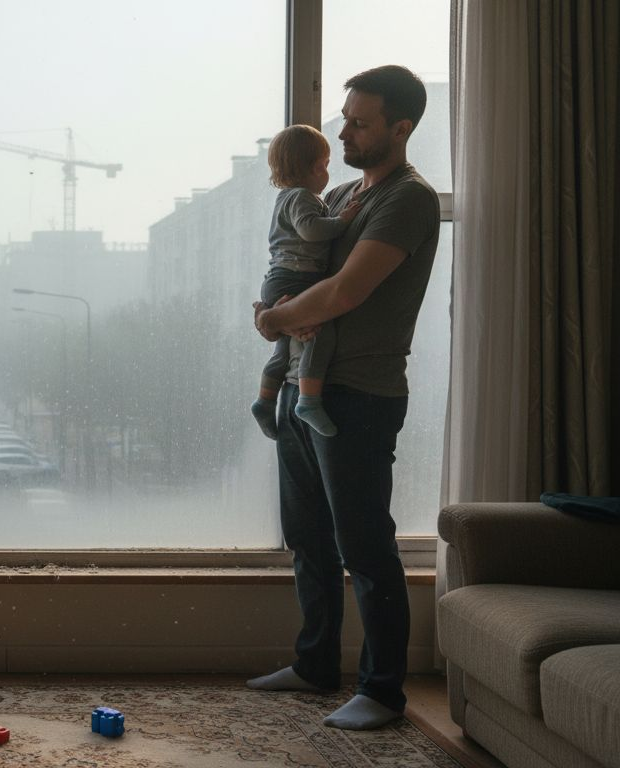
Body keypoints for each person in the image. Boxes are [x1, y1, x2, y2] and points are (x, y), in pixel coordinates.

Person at [248, 64, 441, 731]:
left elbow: (346, 291)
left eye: (359, 122)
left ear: (401, 127)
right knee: (308, 538)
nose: (345, 131)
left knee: (364, 543)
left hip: (358, 394)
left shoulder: (405, 200)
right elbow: (297, 262)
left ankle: (383, 691)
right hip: (307, 385)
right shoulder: (341, 198)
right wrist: (273, 308)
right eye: (345, 117)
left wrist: (274, 318)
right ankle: (315, 665)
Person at [251, 124, 362, 440]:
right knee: (319, 333)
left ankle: (264, 400)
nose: (327, 172)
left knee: (285, 349)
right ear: (315, 167)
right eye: (325, 165)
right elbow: (310, 231)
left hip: (278, 280)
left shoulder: (286, 197)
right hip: (294, 278)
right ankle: (308, 401)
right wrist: (342, 221)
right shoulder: (301, 197)